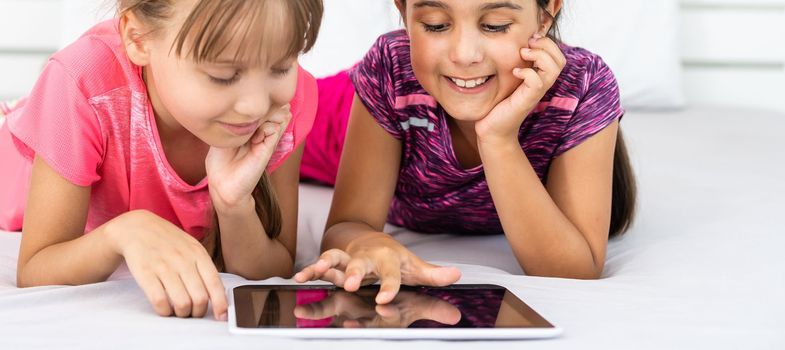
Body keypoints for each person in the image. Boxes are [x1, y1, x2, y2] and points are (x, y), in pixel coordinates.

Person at [0, 0, 323, 320]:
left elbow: (272, 269)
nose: (254, 106)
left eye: (281, 67)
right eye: (223, 75)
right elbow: (36, 269)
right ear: (138, 40)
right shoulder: (81, 82)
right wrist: (124, 231)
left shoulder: (285, 104)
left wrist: (234, 206)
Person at [296, 0, 636, 304]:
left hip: (423, 92)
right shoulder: (390, 71)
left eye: (495, 25)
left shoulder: (585, 84)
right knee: (263, 120)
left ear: (545, 15)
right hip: (345, 117)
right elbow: (346, 227)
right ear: (403, 11)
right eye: (435, 24)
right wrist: (363, 241)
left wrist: (498, 140)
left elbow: (575, 271)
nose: (464, 54)